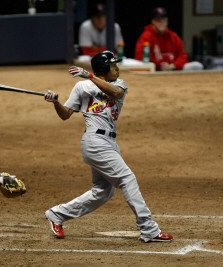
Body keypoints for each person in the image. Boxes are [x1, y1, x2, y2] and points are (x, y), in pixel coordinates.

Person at [43, 50, 173, 242]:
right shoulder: (81, 87)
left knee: (103, 192)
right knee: (127, 179)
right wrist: (55, 102)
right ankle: (149, 229)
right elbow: (65, 115)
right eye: (113, 65)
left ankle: (57, 215)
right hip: (95, 142)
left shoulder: (119, 84)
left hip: (110, 143)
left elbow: (115, 93)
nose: (117, 68)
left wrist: (89, 75)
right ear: (104, 68)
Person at [134, 7, 203, 71]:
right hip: (155, 70)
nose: (162, 22)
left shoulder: (173, 36)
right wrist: (159, 64)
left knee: (197, 65)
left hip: (174, 69)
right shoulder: (146, 36)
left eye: (164, 19)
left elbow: (183, 56)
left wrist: (173, 66)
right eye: (158, 20)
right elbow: (141, 57)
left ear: (167, 21)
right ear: (153, 21)